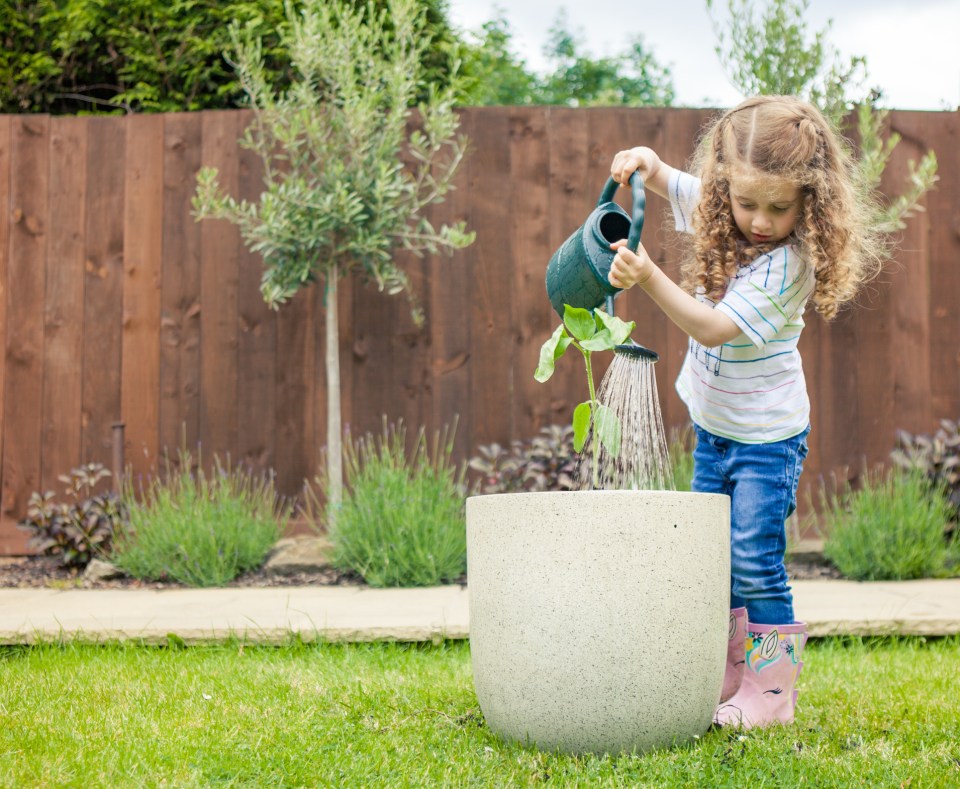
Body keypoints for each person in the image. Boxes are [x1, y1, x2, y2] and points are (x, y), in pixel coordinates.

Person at [607, 95, 883, 729]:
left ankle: (773, 694)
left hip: (766, 439)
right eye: (746, 202)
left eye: (779, 208)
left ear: (807, 204)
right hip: (715, 428)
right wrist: (646, 164)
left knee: (754, 559)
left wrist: (648, 276)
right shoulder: (726, 208)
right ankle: (734, 676)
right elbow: (677, 184)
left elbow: (711, 328)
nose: (759, 220)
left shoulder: (788, 263)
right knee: (718, 558)